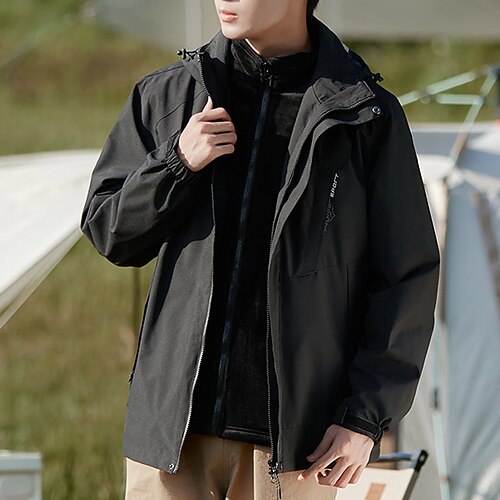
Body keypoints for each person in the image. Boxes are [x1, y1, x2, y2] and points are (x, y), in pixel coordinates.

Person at [80, 0, 440, 498]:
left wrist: (364, 417)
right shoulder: (169, 95)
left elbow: (406, 278)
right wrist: (177, 164)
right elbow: (109, 231)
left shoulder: (366, 116)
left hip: (296, 453)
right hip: (170, 445)